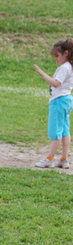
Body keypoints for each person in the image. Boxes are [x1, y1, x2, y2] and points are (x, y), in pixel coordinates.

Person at [34, 38, 73, 169]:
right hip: (67, 100)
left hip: (59, 102)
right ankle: (63, 159)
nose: (56, 58)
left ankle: (49, 159)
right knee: (65, 132)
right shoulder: (71, 67)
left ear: (66, 53)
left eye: (57, 55)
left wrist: (41, 73)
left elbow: (56, 83)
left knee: (56, 131)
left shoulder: (64, 68)